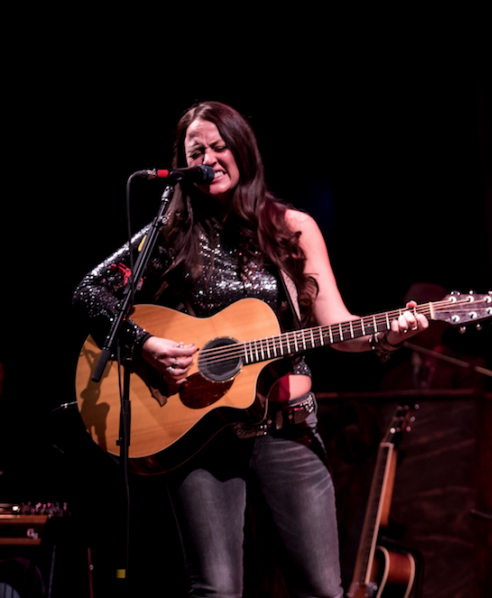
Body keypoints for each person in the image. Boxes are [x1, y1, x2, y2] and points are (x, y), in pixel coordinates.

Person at [73, 101, 428, 597]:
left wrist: (389, 334)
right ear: (182, 164)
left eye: (219, 146)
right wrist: (147, 344)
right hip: (201, 435)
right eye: (197, 150)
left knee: (322, 591)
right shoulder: (168, 236)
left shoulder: (289, 228)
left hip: (288, 429)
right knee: (217, 590)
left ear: (243, 151)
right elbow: (90, 292)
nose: (209, 157)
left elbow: (339, 328)